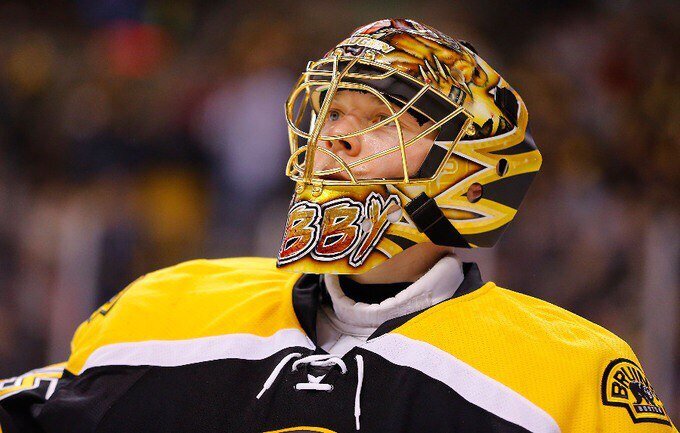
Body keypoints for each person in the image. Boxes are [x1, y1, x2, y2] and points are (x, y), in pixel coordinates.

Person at [0, 18, 675, 433]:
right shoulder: (167, 307)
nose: (336, 138)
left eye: (384, 119)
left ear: (472, 170)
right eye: (333, 112)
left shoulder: (569, 374)